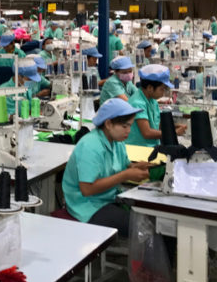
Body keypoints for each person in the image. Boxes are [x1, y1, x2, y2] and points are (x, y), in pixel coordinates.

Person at [62, 99, 151, 237]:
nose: (129, 131)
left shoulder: (117, 141)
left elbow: (123, 164)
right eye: (125, 126)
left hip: (108, 198)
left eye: (130, 126)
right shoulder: (91, 146)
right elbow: (87, 189)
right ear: (108, 124)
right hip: (87, 206)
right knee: (143, 229)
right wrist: (126, 175)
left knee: (150, 218)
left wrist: (138, 166)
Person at [126, 64, 186, 147]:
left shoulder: (152, 100)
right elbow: (147, 133)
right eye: (162, 89)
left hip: (151, 146)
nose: (163, 92)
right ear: (150, 88)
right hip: (138, 150)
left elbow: (155, 124)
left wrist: (173, 127)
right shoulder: (138, 103)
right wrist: (173, 133)